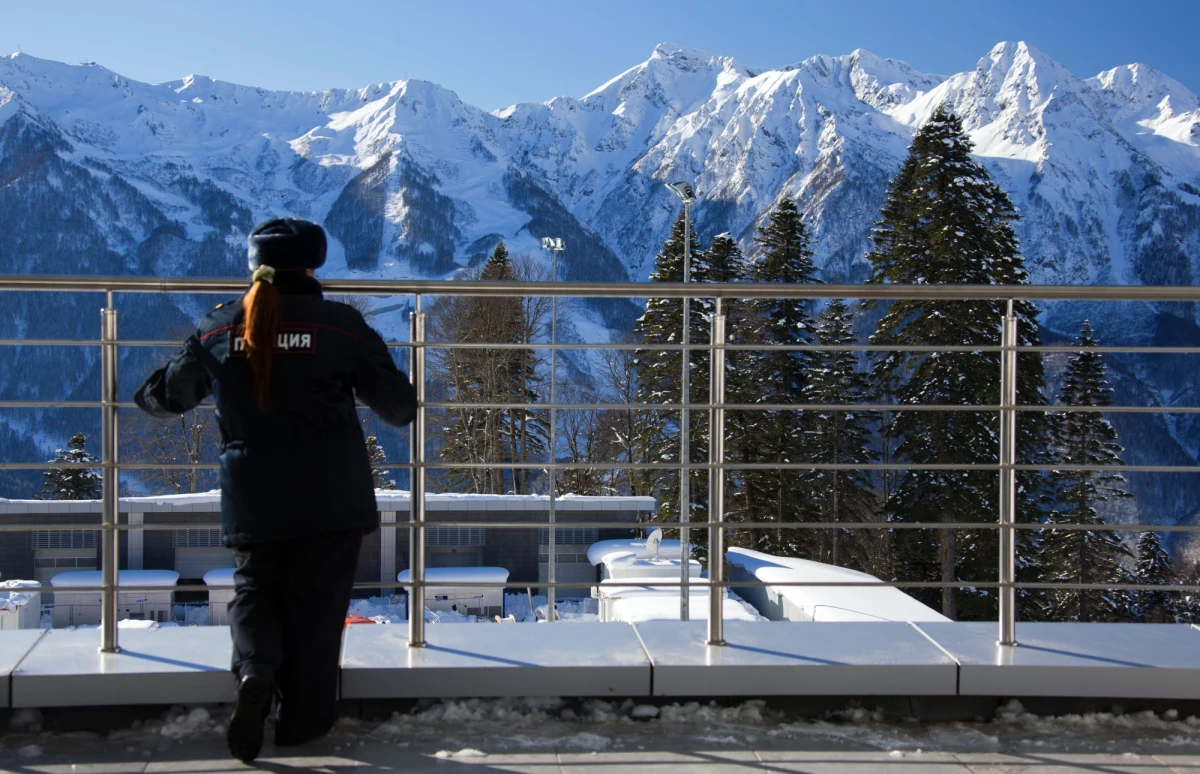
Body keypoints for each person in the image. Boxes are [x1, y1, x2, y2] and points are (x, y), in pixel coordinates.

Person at [135, 218, 416, 762]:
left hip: (254, 493)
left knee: (255, 591)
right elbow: (399, 408)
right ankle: (302, 726)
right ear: (314, 265)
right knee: (317, 606)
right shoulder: (340, 325)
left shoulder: (221, 327)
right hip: (332, 495)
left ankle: (256, 673)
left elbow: (165, 395)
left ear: (254, 264)